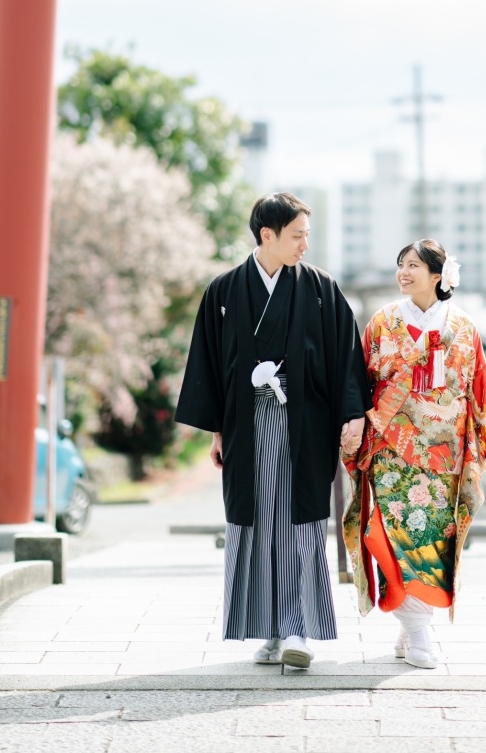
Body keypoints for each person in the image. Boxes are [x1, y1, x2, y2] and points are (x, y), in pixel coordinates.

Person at [175, 192, 371, 670]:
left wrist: (354, 414)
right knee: (257, 522)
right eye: (297, 235)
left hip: (304, 420)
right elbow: (210, 361)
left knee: (302, 523)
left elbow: (346, 356)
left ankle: (298, 625)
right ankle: (269, 628)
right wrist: (217, 430)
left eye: (307, 235)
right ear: (268, 235)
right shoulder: (223, 292)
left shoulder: (321, 288)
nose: (306, 244)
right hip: (247, 421)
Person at [343, 238, 486, 669]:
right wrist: (352, 424)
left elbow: (480, 384)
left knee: (433, 541)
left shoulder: (463, 325)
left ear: (438, 275)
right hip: (392, 450)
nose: (404, 272)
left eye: (414, 266)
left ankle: (412, 626)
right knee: (392, 535)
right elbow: (358, 379)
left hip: (444, 454)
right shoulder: (382, 323)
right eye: (400, 264)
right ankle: (421, 632)